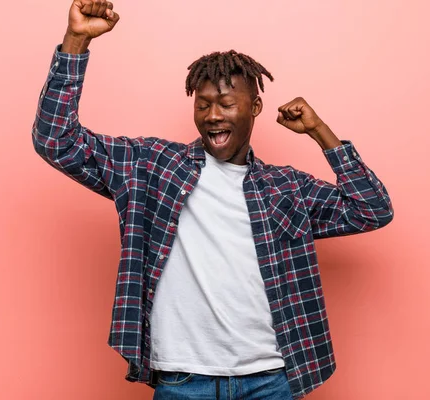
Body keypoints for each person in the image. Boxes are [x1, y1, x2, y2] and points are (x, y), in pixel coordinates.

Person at [32, 1, 394, 399]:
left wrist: (320, 132)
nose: (212, 115)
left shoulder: (285, 188)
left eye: (226, 104)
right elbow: (56, 141)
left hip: (270, 379)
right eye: (202, 104)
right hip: (183, 380)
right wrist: (77, 40)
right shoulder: (153, 167)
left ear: (254, 107)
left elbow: (371, 209)